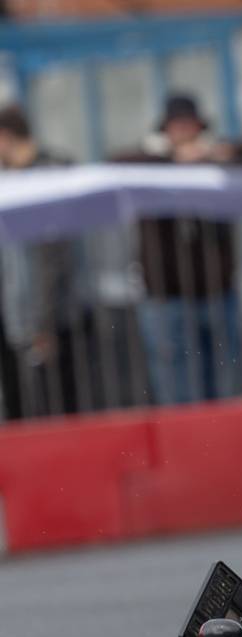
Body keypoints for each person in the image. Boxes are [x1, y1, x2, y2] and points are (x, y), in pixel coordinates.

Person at [117, 93, 242, 405]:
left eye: (188, 125)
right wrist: (171, 160)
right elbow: (115, 162)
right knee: (178, 393)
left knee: (226, 387)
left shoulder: (216, 161)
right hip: (165, 298)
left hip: (217, 294)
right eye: (176, 126)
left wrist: (222, 152)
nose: (183, 132)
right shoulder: (148, 166)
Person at [0, 103, 81, 420]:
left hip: (49, 317)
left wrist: (43, 323)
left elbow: (54, 259)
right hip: (16, 315)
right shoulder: (9, 179)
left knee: (59, 404)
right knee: (20, 405)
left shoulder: (50, 176)